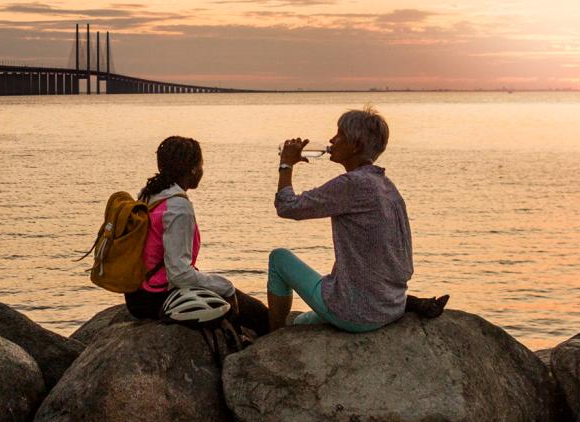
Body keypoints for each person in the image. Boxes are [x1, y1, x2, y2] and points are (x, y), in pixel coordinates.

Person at [267, 107, 446, 332]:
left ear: (356, 146)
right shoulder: (387, 186)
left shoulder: (351, 184)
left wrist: (286, 164)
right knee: (301, 321)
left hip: (356, 313)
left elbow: (287, 206)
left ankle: (271, 336)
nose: (332, 140)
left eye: (340, 135)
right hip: (391, 305)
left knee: (278, 259)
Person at [125, 135, 271, 336]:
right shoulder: (178, 207)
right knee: (260, 315)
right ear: (192, 169)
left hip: (136, 295)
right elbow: (180, 275)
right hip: (157, 297)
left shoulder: (149, 193)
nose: (202, 170)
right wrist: (225, 286)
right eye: (201, 164)